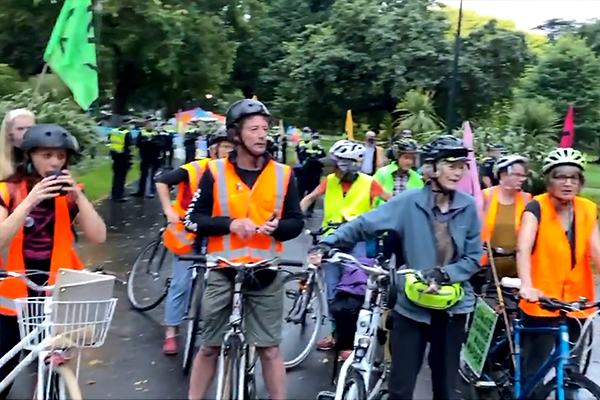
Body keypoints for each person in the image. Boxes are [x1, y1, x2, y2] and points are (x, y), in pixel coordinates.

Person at [310, 135, 482, 400]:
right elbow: (364, 223)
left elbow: (473, 258)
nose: (458, 171)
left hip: (453, 309)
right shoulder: (409, 202)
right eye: (451, 164)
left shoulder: (468, 207)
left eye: (462, 165)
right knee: (400, 389)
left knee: (446, 389)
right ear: (432, 167)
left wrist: (446, 274)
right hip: (411, 308)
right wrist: (326, 244)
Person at [184, 99, 304, 400]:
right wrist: (230, 223)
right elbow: (192, 221)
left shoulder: (283, 174)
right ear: (236, 135)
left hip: (264, 272)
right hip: (223, 269)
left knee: (270, 349)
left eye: (265, 128)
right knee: (209, 346)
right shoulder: (214, 172)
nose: (262, 135)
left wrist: (278, 228)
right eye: (254, 129)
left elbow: (295, 223)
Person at [0, 124, 106, 400]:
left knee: (50, 366)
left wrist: (79, 195)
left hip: (55, 294)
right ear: (30, 156)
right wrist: (30, 200)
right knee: (7, 368)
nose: (55, 162)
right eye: (47, 155)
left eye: (60, 157)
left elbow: (98, 236)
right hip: (13, 295)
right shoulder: (8, 190)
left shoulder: (69, 195)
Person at [299, 139, 391, 356]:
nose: (333, 167)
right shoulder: (330, 181)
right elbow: (309, 198)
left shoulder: (369, 183)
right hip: (330, 241)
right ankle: (336, 334)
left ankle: (352, 336)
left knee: (354, 290)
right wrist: (295, 216)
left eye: (338, 163)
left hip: (358, 242)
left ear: (350, 164)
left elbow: (392, 203)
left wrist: (381, 224)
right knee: (332, 291)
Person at [517, 148, 600, 380]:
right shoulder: (536, 208)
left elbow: (596, 250)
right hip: (541, 299)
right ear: (548, 180)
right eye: (560, 176)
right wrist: (527, 285)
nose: (567, 183)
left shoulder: (587, 209)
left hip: (577, 301)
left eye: (573, 177)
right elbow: (523, 249)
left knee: (571, 368)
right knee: (534, 367)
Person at [157, 125, 234, 355]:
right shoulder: (196, 169)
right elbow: (163, 181)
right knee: (181, 283)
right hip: (187, 234)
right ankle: (171, 332)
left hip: (216, 236)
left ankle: (219, 331)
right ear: (214, 150)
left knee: (223, 284)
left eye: (233, 148)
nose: (230, 152)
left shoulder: (237, 174)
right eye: (226, 147)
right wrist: (169, 212)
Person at [480, 155, 530, 280]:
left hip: (516, 267)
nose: (521, 179)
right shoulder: (485, 196)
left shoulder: (528, 199)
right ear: (503, 175)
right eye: (517, 175)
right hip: (485, 266)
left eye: (523, 175)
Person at [0, 109, 35, 181]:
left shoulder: (41, 153)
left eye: (30, 128)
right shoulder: (3, 159)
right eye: (20, 129)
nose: (26, 132)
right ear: (9, 131)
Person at [297, 132, 326, 217]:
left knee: (313, 192)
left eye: (317, 138)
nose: (316, 140)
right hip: (304, 173)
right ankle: (299, 209)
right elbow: (301, 158)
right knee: (300, 192)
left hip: (315, 174)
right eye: (314, 138)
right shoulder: (305, 147)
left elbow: (323, 161)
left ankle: (310, 210)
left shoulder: (321, 149)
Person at [133, 117, 161, 199]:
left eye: (152, 123)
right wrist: (145, 142)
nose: (150, 125)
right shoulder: (142, 132)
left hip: (154, 156)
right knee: (143, 174)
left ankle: (151, 191)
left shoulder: (157, 133)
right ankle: (140, 191)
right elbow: (138, 144)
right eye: (148, 123)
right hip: (144, 156)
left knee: (153, 175)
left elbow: (162, 144)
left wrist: (152, 142)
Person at [108, 118, 134, 202]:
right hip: (123, 157)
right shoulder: (127, 133)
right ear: (126, 124)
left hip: (115, 156)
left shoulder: (114, 131)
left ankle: (114, 194)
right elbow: (129, 145)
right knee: (121, 177)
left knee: (115, 176)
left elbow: (110, 141)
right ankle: (119, 195)